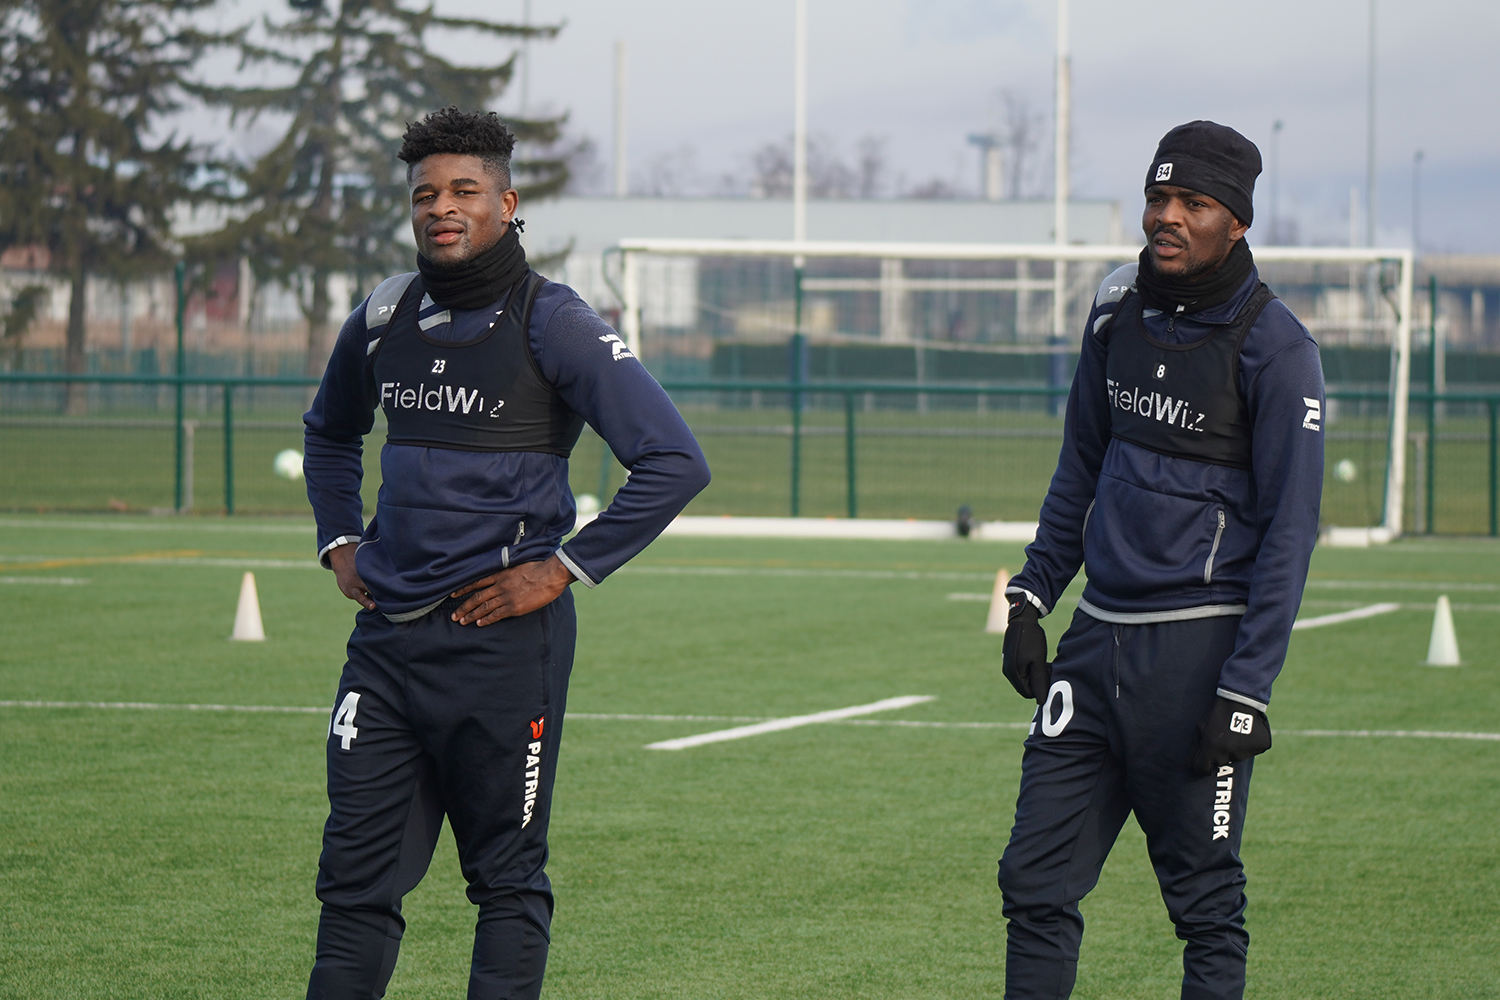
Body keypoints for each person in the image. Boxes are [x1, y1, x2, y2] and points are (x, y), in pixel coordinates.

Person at [300, 106, 710, 1000]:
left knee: (506, 885)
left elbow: (675, 460)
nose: (441, 208)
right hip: (386, 652)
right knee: (353, 889)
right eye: (425, 194)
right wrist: (340, 542)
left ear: (506, 202)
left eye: (463, 191)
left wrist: (562, 568)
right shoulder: (381, 315)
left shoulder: (554, 321)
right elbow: (330, 434)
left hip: (503, 653)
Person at [996, 121, 1324, 1000]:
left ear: (1238, 222)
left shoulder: (1279, 350)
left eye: (1194, 202)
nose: (1166, 217)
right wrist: (1032, 596)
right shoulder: (1114, 311)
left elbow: (1292, 534)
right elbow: (1081, 468)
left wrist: (1248, 687)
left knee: (1205, 905)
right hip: (1094, 645)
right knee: (1032, 882)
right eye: (1157, 197)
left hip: (1196, 660)